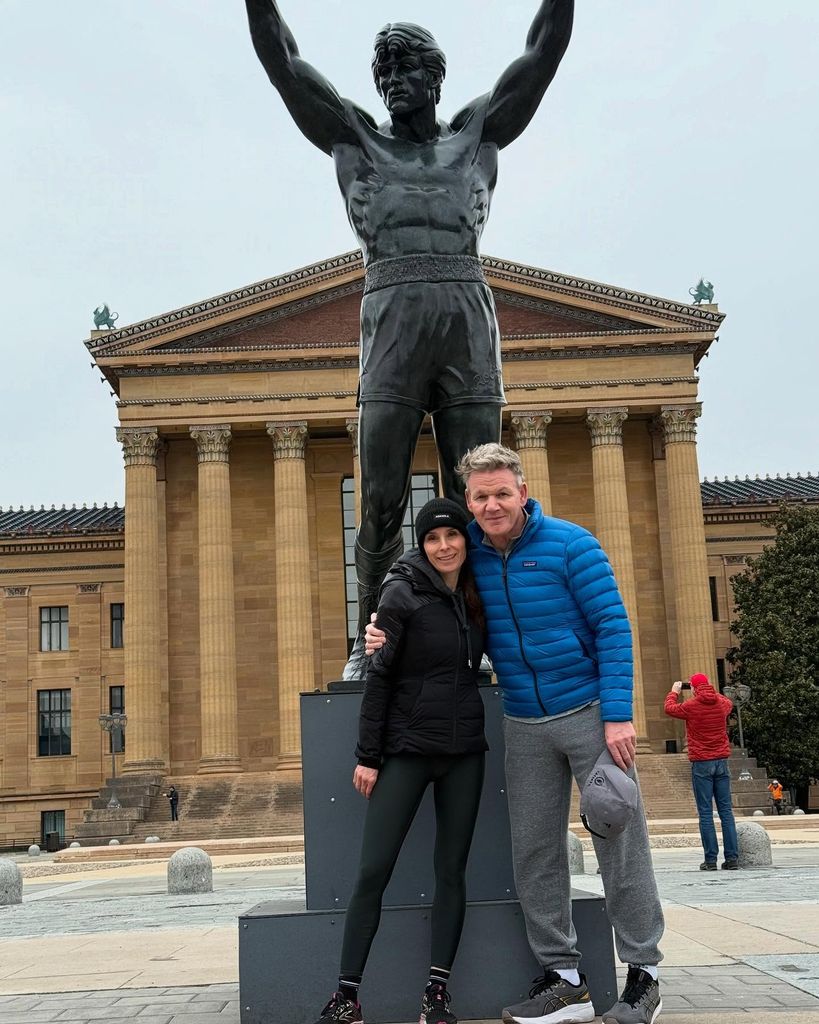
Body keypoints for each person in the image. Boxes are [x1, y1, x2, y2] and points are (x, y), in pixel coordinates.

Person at [243, 1, 574, 678]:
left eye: (406, 67)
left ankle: (480, 640)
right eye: (382, 69)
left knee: (481, 493)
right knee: (381, 497)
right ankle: (376, 639)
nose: (392, 79)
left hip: (465, 319)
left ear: (435, 77)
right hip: (391, 315)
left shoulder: (477, 137)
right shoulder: (354, 141)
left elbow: (542, 56)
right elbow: (282, 62)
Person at [368, 444, 664, 1024]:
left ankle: (643, 975)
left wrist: (619, 715)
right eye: (480, 496)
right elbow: (417, 574)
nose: (491, 505)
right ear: (469, 501)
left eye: (502, 492)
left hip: (588, 711)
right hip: (524, 719)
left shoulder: (571, 544)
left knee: (619, 838)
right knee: (533, 850)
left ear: (522, 492)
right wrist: (381, 630)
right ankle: (566, 979)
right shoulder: (471, 550)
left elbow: (612, 624)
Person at [314, 498, 488, 1024]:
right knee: (373, 871)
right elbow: (379, 679)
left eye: (452, 536)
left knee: (451, 872)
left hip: (464, 753)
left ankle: (436, 993)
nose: (444, 547)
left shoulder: (478, 594)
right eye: (433, 539)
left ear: (464, 539)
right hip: (407, 751)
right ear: (423, 543)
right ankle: (347, 997)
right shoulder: (400, 592)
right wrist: (368, 756)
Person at [664, 673, 738, 871]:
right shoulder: (721, 704)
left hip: (702, 763)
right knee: (726, 812)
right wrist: (708, 690)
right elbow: (727, 702)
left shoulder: (691, 706)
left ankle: (710, 860)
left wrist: (674, 692)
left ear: (694, 689)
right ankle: (732, 859)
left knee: (705, 813)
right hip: (721, 762)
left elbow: (669, 708)